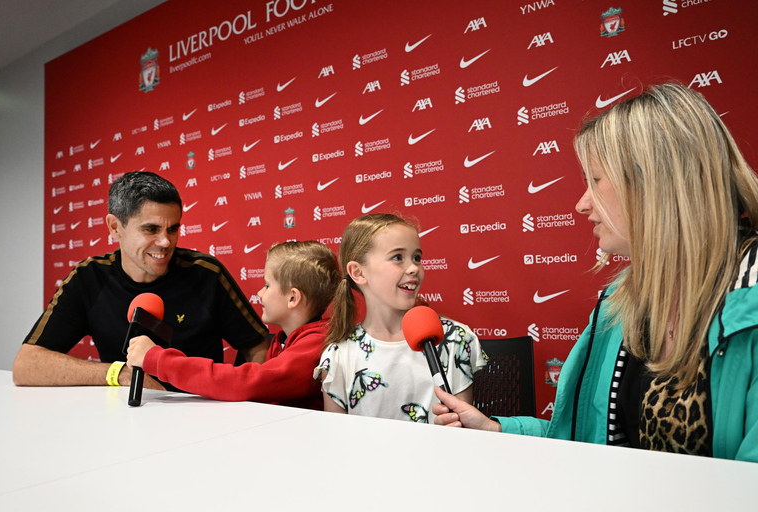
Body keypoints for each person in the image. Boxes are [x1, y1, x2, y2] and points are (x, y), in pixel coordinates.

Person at [433, 83, 758, 462]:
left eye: (595, 181)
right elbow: (586, 441)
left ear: (654, 182)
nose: (581, 203)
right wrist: (497, 429)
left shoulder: (747, 307)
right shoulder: (621, 303)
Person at [13, 171, 268, 389]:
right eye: (151, 229)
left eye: (173, 228)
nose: (165, 242)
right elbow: (27, 364)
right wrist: (120, 374)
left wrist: (236, 399)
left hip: (201, 420)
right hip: (125, 421)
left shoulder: (206, 274)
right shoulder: (88, 278)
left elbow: (259, 348)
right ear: (115, 227)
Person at [126, 241, 341, 408]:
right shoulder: (285, 341)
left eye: (267, 285)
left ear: (293, 298)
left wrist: (156, 359)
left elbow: (248, 383)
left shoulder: (315, 345)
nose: (260, 293)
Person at [315, 213, 487, 423]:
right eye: (397, 257)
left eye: (417, 257)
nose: (414, 267)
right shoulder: (338, 357)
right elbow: (338, 439)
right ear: (358, 272)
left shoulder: (455, 339)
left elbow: (464, 428)